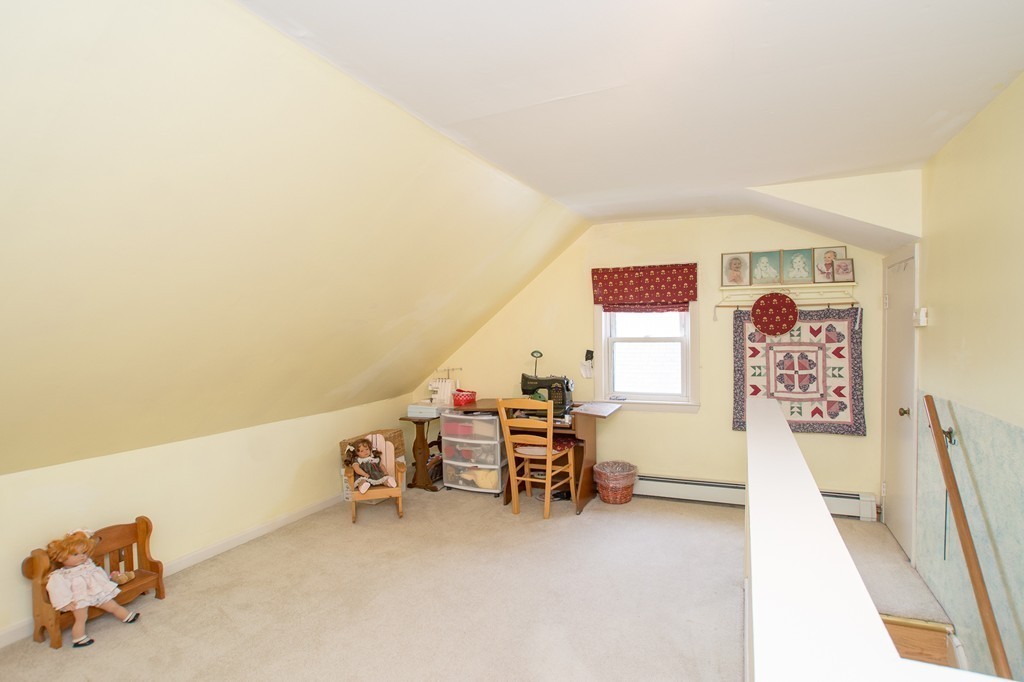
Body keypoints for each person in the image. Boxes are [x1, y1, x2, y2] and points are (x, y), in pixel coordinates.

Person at [45, 530, 140, 648]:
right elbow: (58, 590)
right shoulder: (61, 575)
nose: (82, 557)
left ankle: (126, 616)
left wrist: (106, 583)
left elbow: (97, 575)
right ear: (60, 557)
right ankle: (78, 638)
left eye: (84, 553)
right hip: (80, 599)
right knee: (81, 618)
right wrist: (66, 602)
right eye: (75, 554)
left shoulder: (88, 565)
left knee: (112, 605)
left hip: (96, 593)